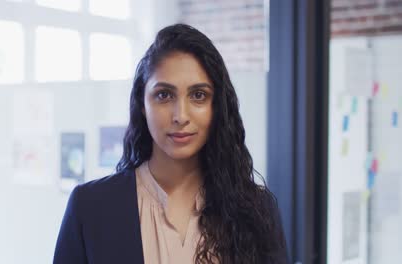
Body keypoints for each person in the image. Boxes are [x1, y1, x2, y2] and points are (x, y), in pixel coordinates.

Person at [53, 23, 288, 264]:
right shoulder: (91, 207)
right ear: (142, 105)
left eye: (198, 95)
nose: (181, 116)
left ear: (216, 107)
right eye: (164, 95)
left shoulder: (256, 210)